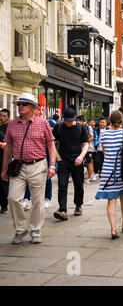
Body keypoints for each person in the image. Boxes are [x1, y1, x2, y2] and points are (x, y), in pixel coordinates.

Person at [1, 93, 56, 244]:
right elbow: (8, 147)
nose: (20, 107)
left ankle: (35, 230)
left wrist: (52, 165)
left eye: (23, 104)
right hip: (18, 166)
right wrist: (4, 169)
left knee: (37, 201)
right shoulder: (12, 124)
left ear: (33, 107)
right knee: (13, 198)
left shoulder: (43, 123)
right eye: (18, 104)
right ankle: (20, 229)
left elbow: (51, 145)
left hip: (37, 165)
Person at [95, 111, 123, 240]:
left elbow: (104, 152)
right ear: (122, 121)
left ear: (109, 121)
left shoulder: (103, 133)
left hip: (107, 171)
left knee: (111, 200)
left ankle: (113, 228)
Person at [53, 108, 89, 221]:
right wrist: (57, 157)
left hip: (77, 159)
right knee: (62, 184)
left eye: (69, 120)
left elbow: (86, 144)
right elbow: (51, 143)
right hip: (63, 159)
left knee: (78, 184)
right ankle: (62, 210)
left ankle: (78, 205)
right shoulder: (59, 127)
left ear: (74, 118)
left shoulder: (80, 127)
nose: (67, 123)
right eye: (65, 120)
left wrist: (81, 156)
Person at [77, 115, 95, 184]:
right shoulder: (78, 127)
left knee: (89, 162)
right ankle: (81, 176)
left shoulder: (88, 127)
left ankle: (89, 177)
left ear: (81, 121)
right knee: (80, 162)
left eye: (78, 121)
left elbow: (92, 137)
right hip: (80, 148)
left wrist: (85, 142)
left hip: (89, 148)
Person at [0, 108, 9, 213]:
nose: (1, 118)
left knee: (3, 182)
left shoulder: (9, 128)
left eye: (3, 116)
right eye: (0, 115)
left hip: (4, 158)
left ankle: (4, 204)